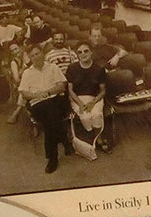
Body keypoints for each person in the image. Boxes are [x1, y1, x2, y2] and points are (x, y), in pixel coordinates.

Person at [18, 43, 72, 173]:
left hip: (55, 100)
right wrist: (37, 95)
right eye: (32, 55)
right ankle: (64, 138)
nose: (36, 57)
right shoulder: (27, 73)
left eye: (37, 53)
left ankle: (52, 158)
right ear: (30, 58)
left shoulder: (53, 67)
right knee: (50, 116)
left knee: (49, 122)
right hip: (37, 104)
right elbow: (24, 93)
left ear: (42, 53)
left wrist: (47, 93)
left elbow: (62, 86)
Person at [65, 41, 109, 156]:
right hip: (77, 98)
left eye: (86, 51)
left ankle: (98, 139)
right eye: (79, 52)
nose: (83, 54)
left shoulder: (99, 69)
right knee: (85, 118)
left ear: (91, 52)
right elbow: (70, 91)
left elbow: (103, 91)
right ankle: (90, 135)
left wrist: (93, 103)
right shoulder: (72, 68)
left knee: (96, 116)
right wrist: (80, 104)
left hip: (95, 98)